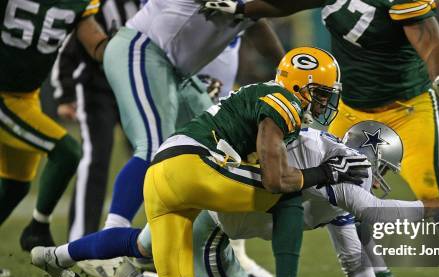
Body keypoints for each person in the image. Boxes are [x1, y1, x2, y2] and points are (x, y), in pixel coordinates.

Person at [202, 0, 439, 277]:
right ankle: (378, 276)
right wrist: (245, 8)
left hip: (407, 107)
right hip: (349, 107)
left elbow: (428, 38)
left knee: (431, 190)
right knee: (340, 188)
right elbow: (288, 4)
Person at [30, 46, 371, 277]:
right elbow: (274, 179)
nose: (325, 102)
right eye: (321, 93)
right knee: (286, 194)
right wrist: (326, 174)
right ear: (298, 85)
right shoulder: (284, 101)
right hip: (195, 165)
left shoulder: (259, 96)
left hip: (165, 172)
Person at [31, 127, 439, 277]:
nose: (381, 180)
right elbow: (372, 211)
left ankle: (54, 254)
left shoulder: (335, 178)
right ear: (368, 158)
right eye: (382, 170)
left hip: (213, 204)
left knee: (145, 243)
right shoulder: (340, 176)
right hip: (219, 221)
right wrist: (436, 204)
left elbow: (352, 255)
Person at [99, 0, 285, 232]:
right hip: (142, 48)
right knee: (156, 147)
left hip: (178, 73)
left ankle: (158, 244)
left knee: (209, 152)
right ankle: (112, 236)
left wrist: (285, 71)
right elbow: (273, 8)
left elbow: (260, 21)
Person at [0, 0, 108, 251]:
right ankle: (37, 230)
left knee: (16, 186)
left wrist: (126, 47)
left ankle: (37, 228)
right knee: (67, 151)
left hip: (26, 96)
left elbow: (95, 43)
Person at [51, 0, 140, 243]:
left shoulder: (146, 4)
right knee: (96, 157)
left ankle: (149, 239)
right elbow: (66, 45)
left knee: (152, 158)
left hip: (134, 88)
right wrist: (65, 94)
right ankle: (80, 238)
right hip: (95, 88)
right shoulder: (96, 5)